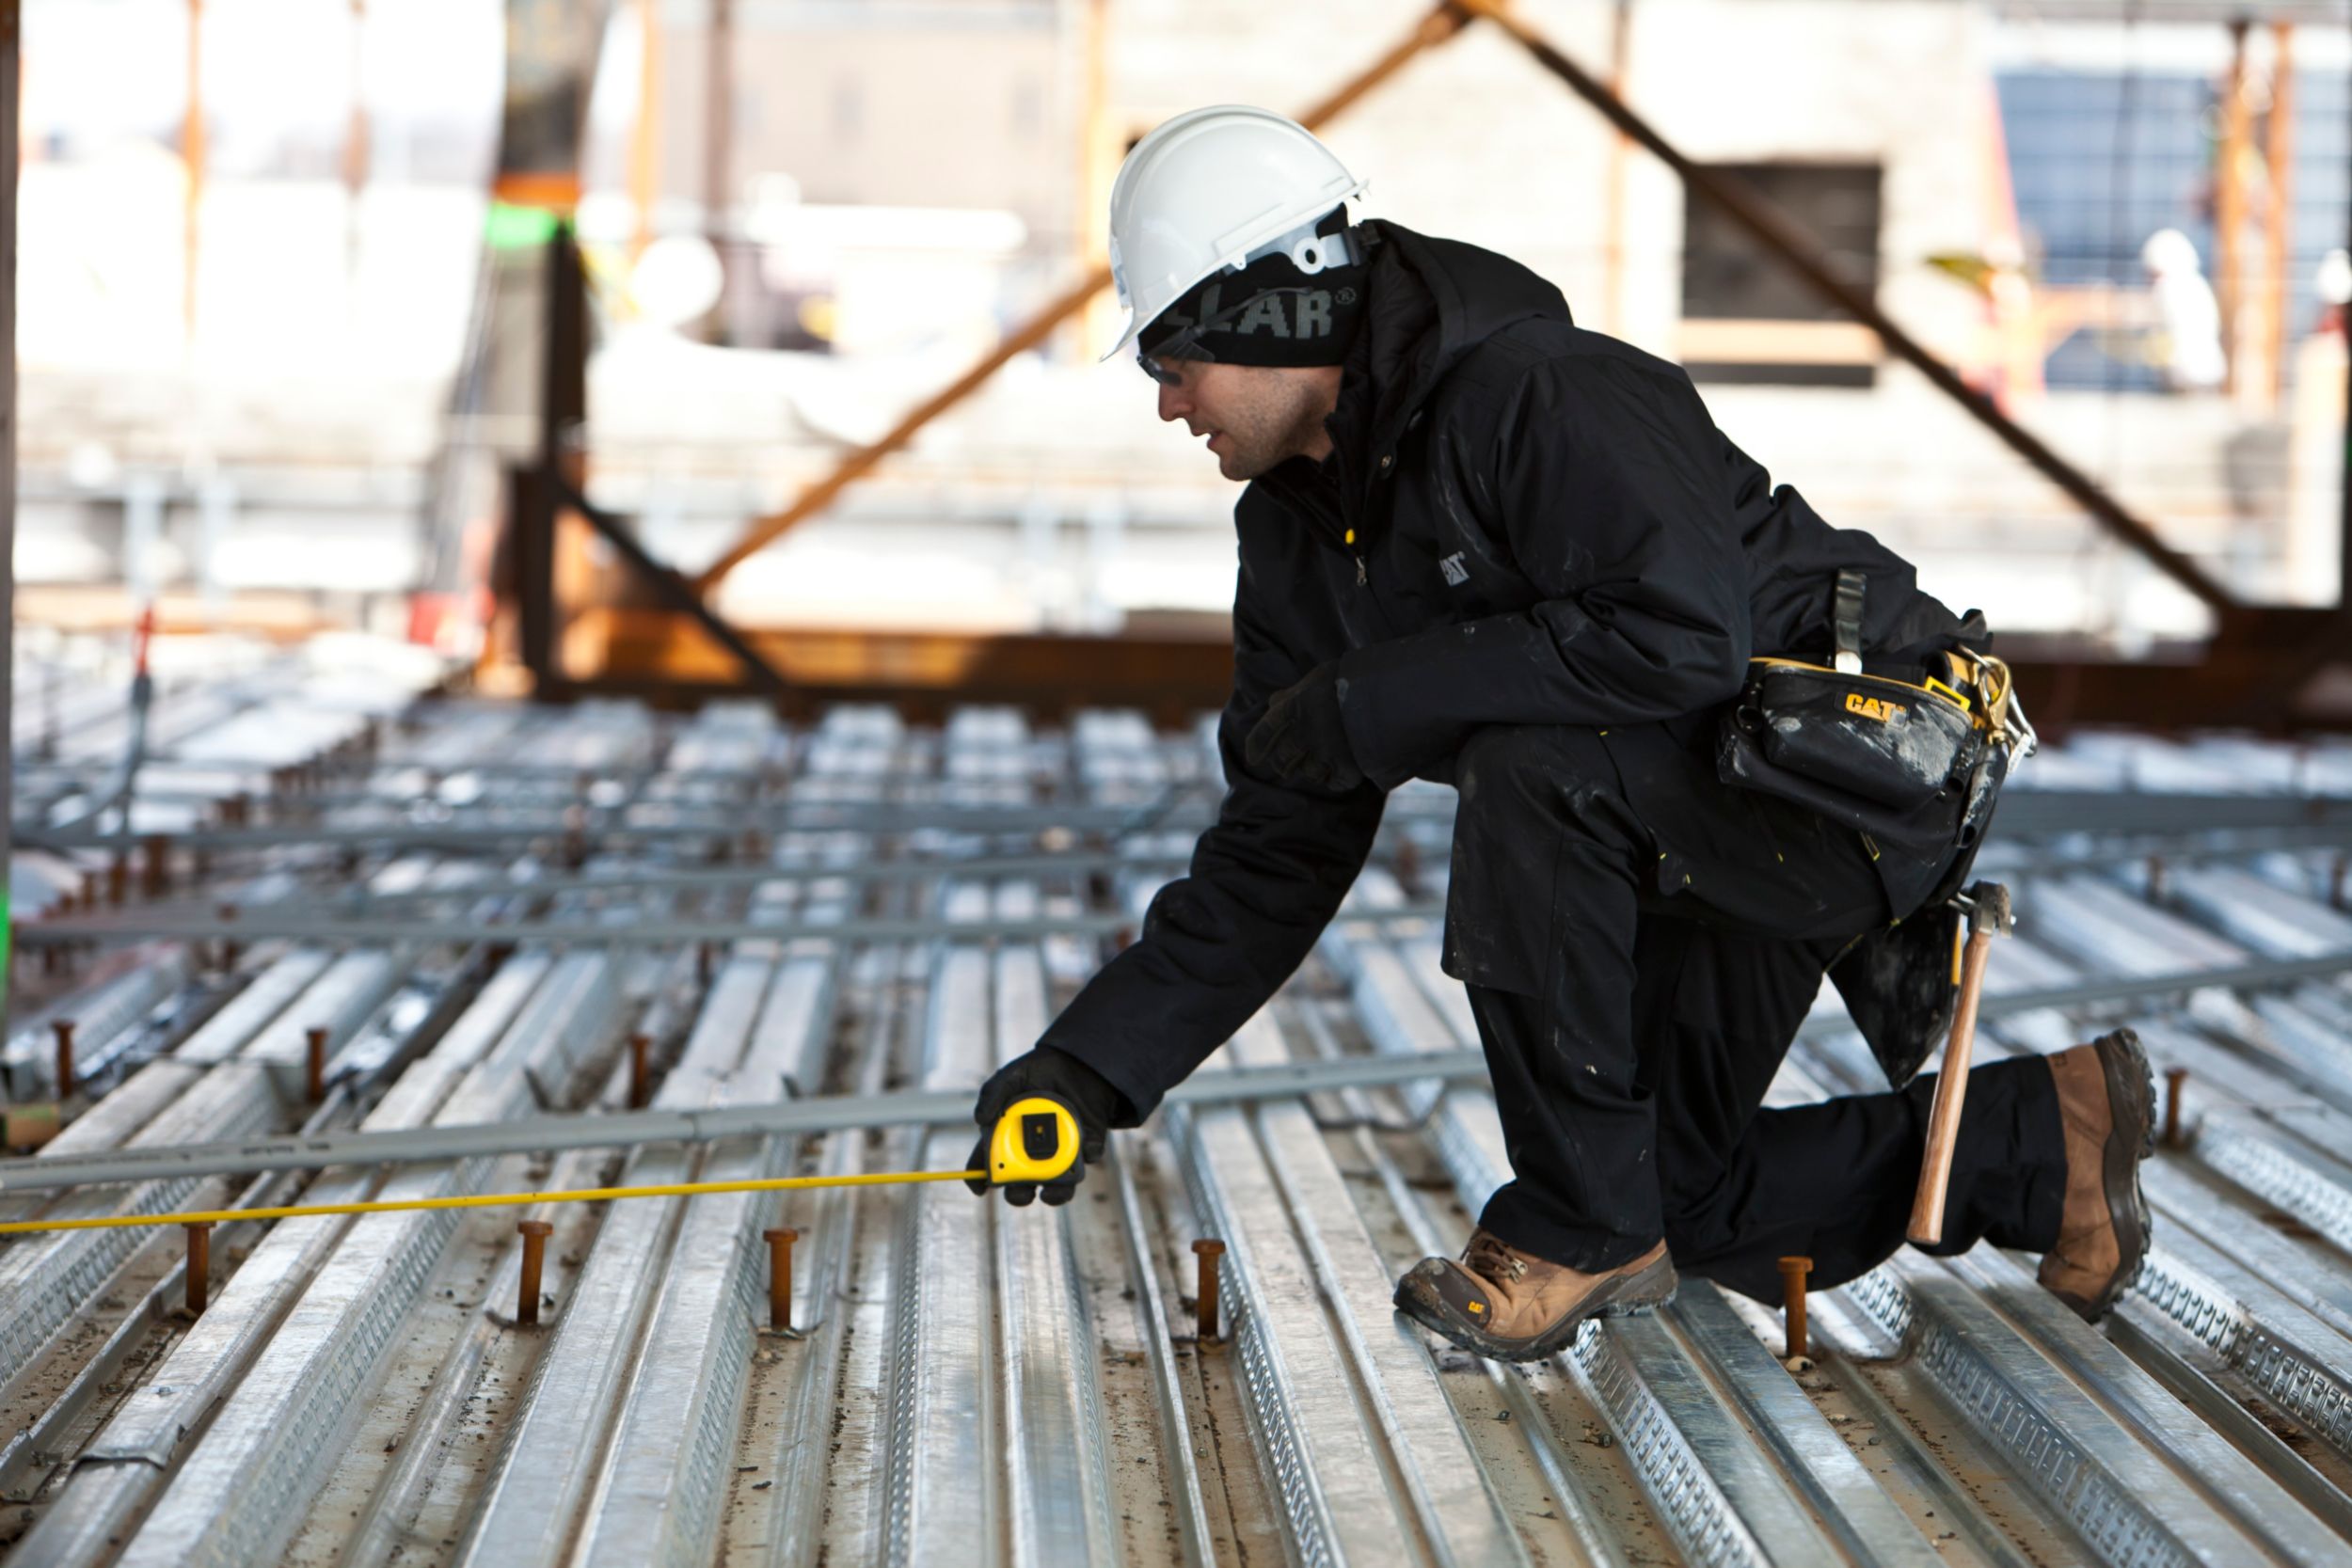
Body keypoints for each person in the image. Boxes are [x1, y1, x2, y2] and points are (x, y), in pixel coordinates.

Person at [967, 106, 2154, 1363]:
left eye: (1170, 359)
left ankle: (1571, 1225)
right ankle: (2042, 1135)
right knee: (1671, 1199)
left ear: (1266, 311)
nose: (1168, 405)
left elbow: (1682, 637)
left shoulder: (1540, 394)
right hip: (1698, 810)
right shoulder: (1296, 535)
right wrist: (1089, 1070)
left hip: (1852, 768)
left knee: (1525, 765)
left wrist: (1381, 698)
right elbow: (1281, 835)